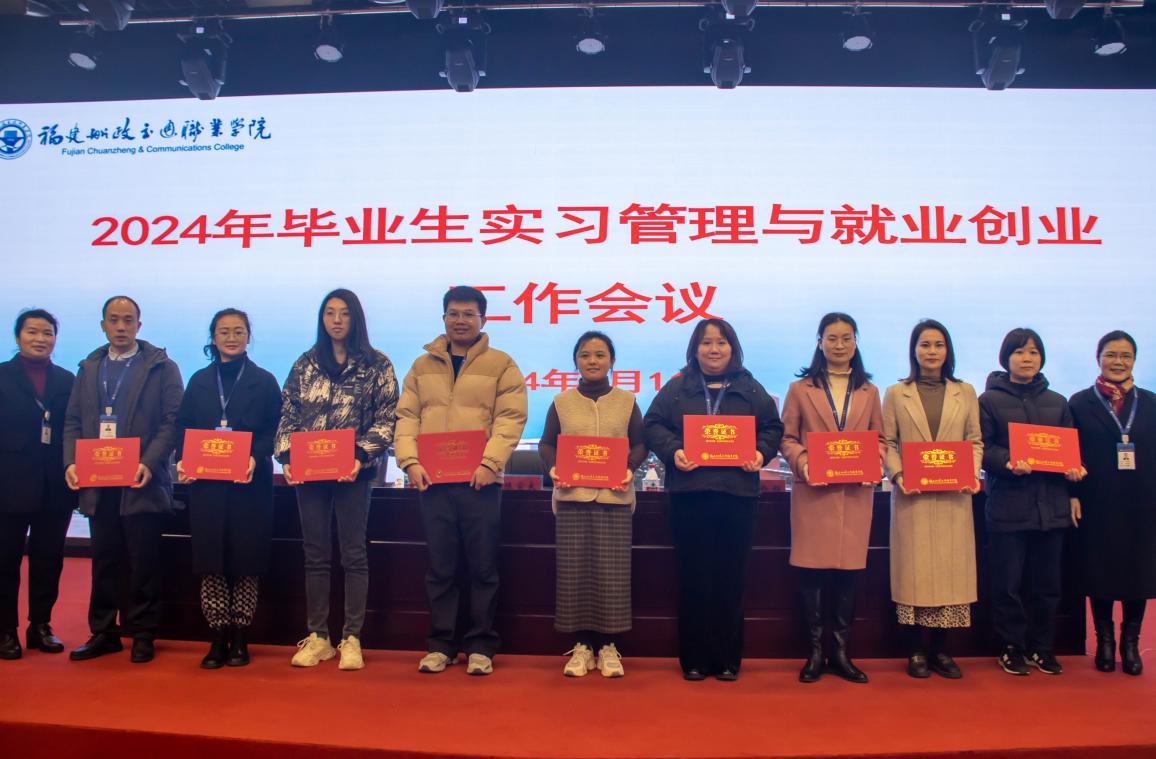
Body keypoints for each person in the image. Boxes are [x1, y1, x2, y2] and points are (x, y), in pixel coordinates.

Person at [394, 285, 527, 677]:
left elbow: (510, 417)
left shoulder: (501, 364)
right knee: (441, 568)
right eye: (453, 313)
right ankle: (441, 645)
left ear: (483, 319)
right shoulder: (422, 367)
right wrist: (409, 462)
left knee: (483, 567)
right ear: (444, 318)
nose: (460, 321)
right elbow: (407, 417)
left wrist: (490, 463)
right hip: (433, 483)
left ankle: (481, 645)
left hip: (480, 482)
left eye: (469, 314)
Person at [643, 319, 783, 681]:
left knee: (731, 578)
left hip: (738, 495)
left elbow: (773, 428)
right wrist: (673, 451)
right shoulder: (678, 387)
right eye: (706, 343)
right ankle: (693, 659)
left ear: (733, 348)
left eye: (721, 342)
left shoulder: (749, 387)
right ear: (695, 349)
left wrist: (760, 452)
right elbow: (652, 424)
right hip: (690, 495)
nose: (714, 349)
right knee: (692, 577)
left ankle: (726, 659)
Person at [275, 289, 398, 671]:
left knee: (353, 553)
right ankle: (318, 637)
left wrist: (361, 455)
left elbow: (388, 417)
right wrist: (287, 457)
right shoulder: (305, 364)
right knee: (315, 554)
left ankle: (352, 637)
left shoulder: (376, 364)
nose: (337, 320)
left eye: (344, 313)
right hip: (310, 474)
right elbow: (287, 413)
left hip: (354, 473)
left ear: (355, 318)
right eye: (330, 313)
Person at [63, 295, 184, 664]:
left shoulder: (161, 367)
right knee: (104, 559)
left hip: (141, 480)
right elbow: (72, 421)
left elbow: (172, 421)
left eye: (128, 320)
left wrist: (149, 462)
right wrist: (70, 462)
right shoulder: (89, 367)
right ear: (103, 325)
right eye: (114, 320)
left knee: (144, 561)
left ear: (138, 325)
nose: (121, 327)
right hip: (98, 479)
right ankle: (103, 632)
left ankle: (144, 633)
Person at [175, 309, 282, 669]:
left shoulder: (264, 381)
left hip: (249, 485)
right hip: (208, 488)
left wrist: (254, 456)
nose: (232, 338)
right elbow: (183, 427)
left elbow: (274, 429)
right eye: (224, 332)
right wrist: (182, 459)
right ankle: (217, 637)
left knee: (246, 562)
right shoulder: (199, 381)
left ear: (248, 336)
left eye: (238, 331)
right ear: (213, 337)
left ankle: (241, 637)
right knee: (212, 563)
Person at [780, 312, 883, 684]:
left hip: (855, 495)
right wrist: (804, 462)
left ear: (855, 342)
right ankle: (814, 653)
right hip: (814, 494)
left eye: (846, 338)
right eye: (832, 338)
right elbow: (787, 438)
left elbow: (880, 440)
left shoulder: (870, 391)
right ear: (820, 342)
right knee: (812, 573)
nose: (839, 345)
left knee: (847, 576)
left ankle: (840, 653)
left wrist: (875, 461)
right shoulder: (800, 389)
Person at [538, 331, 647, 678]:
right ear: (576, 361)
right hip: (573, 498)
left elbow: (641, 443)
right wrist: (553, 468)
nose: (593, 361)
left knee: (613, 577)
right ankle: (583, 646)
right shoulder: (561, 402)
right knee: (575, 575)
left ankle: (609, 646)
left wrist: (630, 468)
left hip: (615, 498)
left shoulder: (627, 401)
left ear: (612, 361)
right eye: (585, 355)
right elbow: (546, 444)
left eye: (600, 355)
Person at [979, 327, 1085, 676]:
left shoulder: (1058, 402)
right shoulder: (988, 401)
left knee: (1047, 585)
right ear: (1006, 357)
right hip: (1008, 505)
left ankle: (1042, 646)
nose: (1027, 358)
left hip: (1051, 507)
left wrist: (1075, 471)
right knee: (1007, 585)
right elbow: (982, 448)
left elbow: (1070, 448)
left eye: (1033, 352)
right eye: (1019, 352)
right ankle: (1011, 647)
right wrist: (1006, 461)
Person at [882, 319, 982, 679]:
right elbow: (887, 443)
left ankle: (941, 650)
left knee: (950, 574)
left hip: (955, 497)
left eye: (939, 345)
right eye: (925, 345)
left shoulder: (965, 391)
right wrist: (899, 476)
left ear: (948, 351)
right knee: (915, 575)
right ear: (914, 350)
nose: (932, 351)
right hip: (913, 496)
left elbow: (974, 441)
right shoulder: (897, 393)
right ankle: (915, 650)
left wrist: (971, 473)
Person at [1069, 330, 1155, 676]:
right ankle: (1104, 640)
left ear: (1134, 360)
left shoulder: (1151, 403)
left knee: (1139, 572)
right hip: (1097, 500)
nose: (1118, 362)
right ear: (1098, 358)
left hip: (1142, 503)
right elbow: (1069, 454)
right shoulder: (1079, 403)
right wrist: (1072, 494)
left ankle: (1130, 643)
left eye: (1125, 356)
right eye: (1111, 355)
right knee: (1099, 571)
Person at [0, 310, 76, 660]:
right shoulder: (2, 376)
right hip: (8, 484)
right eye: (32, 332)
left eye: (47, 333)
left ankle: (40, 625)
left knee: (49, 559)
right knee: (5, 560)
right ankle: (5, 630)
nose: (40, 339)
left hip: (55, 485)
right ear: (18, 337)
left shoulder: (67, 380)